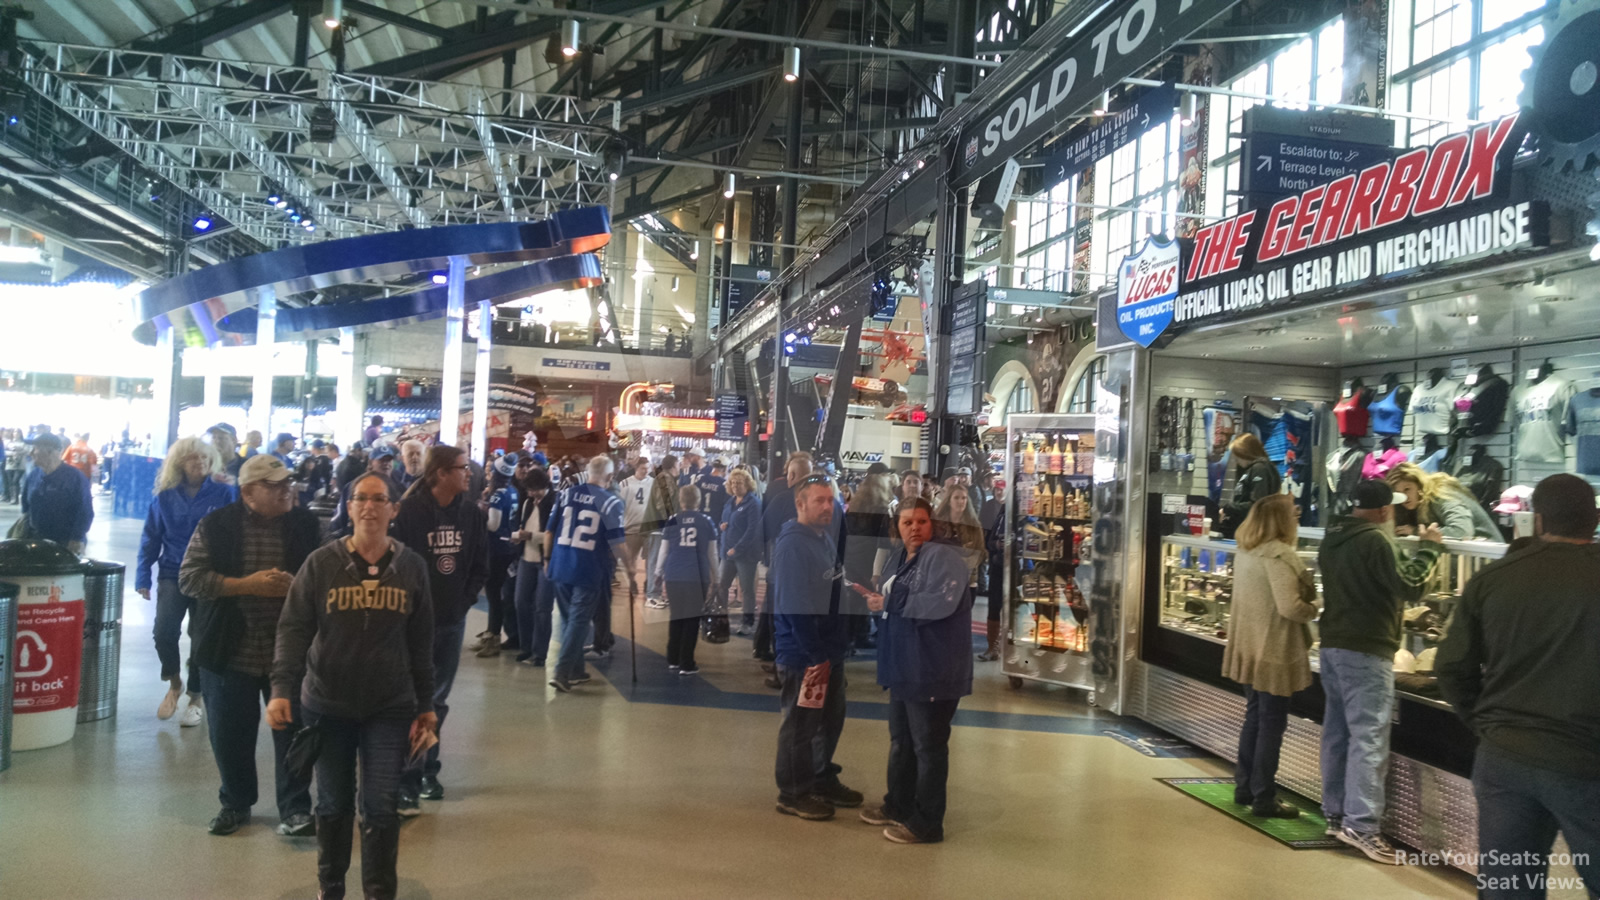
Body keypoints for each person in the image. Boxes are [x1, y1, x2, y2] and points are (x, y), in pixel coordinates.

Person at [268, 472, 437, 900]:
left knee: (380, 808)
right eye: (361, 498)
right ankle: (332, 887)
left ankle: (379, 892)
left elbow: (422, 643)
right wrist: (281, 689)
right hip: (328, 704)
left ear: (393, 510)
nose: (369, 507)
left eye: (380, 499)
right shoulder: (322, 564)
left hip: (390, 705)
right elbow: (293, 629)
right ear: (348, 507)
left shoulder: (412, 566)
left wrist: (426, 705)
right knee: (333, 804)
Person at [1435, 474, 1600, 898]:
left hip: (1504, 757)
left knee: (1509, 886)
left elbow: (1452, 667)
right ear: (1595, 519)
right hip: (1584, 759)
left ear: (1537, 520)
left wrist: (1487, 724)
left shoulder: (1494, 579)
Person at [178, 454, 319, 837]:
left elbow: (325, 580)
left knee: (293, 733)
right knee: (229, 734)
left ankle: (295, 809)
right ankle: (235, 803)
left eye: (288, 483)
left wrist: (300, 590)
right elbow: (189, 579)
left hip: (289, 654)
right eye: (274, 486)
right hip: (229, 648)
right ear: (247, 493)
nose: (286, 490)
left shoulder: (306, 525)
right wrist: (247, 585)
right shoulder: (217, 525)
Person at [1317, 479, 1442, 864]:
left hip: (1333, 645)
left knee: (1337, 733)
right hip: (1367, 649)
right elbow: (1411, 585)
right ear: (1386, 510)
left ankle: (1336, 815)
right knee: (1369, 738)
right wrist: (1430, 550)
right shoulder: (1376, 540)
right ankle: (1362, 826)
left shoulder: (1332, 536)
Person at [860, 498, 973, 843]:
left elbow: (942, 602)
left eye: (921, 521)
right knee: (902, 741)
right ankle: (899, 804)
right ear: (897, 526)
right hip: (903, 665)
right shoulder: (899, 558)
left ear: (932, 524)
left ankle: (927, 823)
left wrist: (889, 603)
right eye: (907, 522)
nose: (914, 528)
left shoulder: (946, 558)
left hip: (934, 669)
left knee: (929, 746)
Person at [390, 445, 489, 815]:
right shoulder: (411, 512)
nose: (470, 474)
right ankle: (405, 779)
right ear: (442, 473)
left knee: (436, 702)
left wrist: (462, 603)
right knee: (412, 699)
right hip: (412, 623)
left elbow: (480, 564)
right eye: (463, 468)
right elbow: (397, 563)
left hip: (451, 620)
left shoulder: (471, 514)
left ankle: (428, 769)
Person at [1220, 494, 1318, 819]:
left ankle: (1244, 786)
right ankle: (1264, 797)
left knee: (1254, 717)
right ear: (1281, 519)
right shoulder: (1279, 555)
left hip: (1248, 646)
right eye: (1294, 512)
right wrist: (1316, 609)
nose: (1297, 515)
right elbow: (1290, 607)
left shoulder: (1246, 550)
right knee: (1271, 724)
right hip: (1274, 651)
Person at [771, 472, 860, 820]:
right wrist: (815, 656)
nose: (827, 507)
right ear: (800, 503)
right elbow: (795, 605)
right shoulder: (793, 544)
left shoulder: (821, 537)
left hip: (829, 650)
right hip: (806, 655)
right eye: (819, 500)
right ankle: (792, 792)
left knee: (829, 720)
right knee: (801, 726)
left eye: (831, 500)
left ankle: (820, 777)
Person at [136, 437, 236, 728]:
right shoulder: (165, 498)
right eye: (194, 458)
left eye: (205, 458)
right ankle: (174, 681)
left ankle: (195, 697)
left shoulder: (224, 493)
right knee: (164, 631)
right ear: (180, 462)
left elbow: (240, 523)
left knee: (202, 637)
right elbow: (151, 538)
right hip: (172, 572)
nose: (200, 463)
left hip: (209, 574)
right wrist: (143, 576)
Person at [543, 456, 627, 692]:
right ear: (610, 477)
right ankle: (562, 672)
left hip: (561, 564)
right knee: (578, 621)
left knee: (570, 620)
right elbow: (618, 544)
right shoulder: (611, 502)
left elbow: (549, 532)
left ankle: (577, 671)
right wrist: (629, 568)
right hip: (589, 569)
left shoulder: (566, 494)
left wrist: (547, 559)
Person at [757, 452, 815, 676]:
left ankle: (781, 666)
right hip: (817, 575)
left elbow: (763, 532)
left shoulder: (783, 498)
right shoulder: (829, 499)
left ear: (791, 475)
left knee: (779, 618)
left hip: (782, 572)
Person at [652, 484, 718, 675]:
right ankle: (686, 662)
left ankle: (672, 658)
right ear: (698, 501)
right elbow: (712, 554)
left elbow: (664, 551)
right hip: (697, 576)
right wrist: (717, 578)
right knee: (691, 619)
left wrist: (658, 573)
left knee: (676, 616)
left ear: (681, 501)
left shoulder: (672, 520)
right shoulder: (707, 522)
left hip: (674, 574)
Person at [473, 454, 522, 658]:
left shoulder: (496, 496)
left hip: (496, 548)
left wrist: (479, 517)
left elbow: (493, 525)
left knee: (493, 595)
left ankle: (492, 637)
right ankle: (492, 633)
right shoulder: (513, 491)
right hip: (508, 547)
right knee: (498, 594)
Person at [842, 468, 896, 651]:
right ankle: (861, 636)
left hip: (851, 560)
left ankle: (849, 639)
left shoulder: (853, 509)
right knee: (869, 600)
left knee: (854, 602)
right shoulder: (882, 512)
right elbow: (883, 543)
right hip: (870, 562)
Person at [511, 466, 557, 665]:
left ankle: (540, 653)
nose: (531, 494)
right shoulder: (528, 503)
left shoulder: (554, 503)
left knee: (542, 608)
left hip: (545, 561)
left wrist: (530, 536)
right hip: (525, 559)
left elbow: (553, 535)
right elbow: (522, 525)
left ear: (544, 486)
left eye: (534, 490)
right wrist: (518, 537)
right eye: (529, 490)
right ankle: (526, 646)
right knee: (520, 603)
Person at [20, 432, 93, 553]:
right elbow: (26, 507)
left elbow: (85, 510)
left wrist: (77, 538)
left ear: (51, 452)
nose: (31, 453)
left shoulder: (75, 477)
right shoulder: (33, 475)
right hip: (36, 540)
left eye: (36, 449)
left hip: (65, 543)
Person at [1386, 463, 1499, 540]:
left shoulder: (1439, 494)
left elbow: (1462, 531)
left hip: (1490, 556)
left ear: (1419, 485)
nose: (1404, 497)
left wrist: (1416, 532)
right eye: (1399, 493)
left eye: (1407, 489)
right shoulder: (1417, 503)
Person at [719, 467, 763, 637]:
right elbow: (724, 520)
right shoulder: (730, 502)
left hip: (745, 554)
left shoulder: (753, 503)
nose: (736, 486)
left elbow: (752, 530)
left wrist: (737, 548)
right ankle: (722, 619)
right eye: (733, 483)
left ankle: (747, 622)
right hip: (727, 552)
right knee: (722, 586)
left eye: (739, 483)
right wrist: (722, 525)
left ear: (747, 484)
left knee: (746, 590)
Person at [1218, 434, 1280, 539]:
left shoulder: (1259, 469)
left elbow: (1257, 504)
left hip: (1252, 532)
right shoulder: (1253, 470)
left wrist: (1229, 508)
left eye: (1237, 455)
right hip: (1247, 530)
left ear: (1244, 453)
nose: (1236, 460)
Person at [329, 446, 398, 537]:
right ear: (371, 463)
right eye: (381, 460)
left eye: (388, 460)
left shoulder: (398, 488)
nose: (386, 464)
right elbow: (338, 521)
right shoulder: (354, 487)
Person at [642, 455, 681, 604]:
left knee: (657, 561)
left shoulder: (666, 478)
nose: (680, 467)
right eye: (678, 464)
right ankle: (652, 595)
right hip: (658, 527)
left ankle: (655, 593)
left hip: (658, 526)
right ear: (673, 465)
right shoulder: (665, 478)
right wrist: (672, 521)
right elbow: (662, 505)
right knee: (655, 561)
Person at [932, 486, 985, 584]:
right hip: (941, 579)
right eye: (956, 498)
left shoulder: (974, 525)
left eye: (964, 498)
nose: (960, 501)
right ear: (949, 501)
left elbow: (980, 552)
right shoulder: (938, 524)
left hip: (967, 579)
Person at [617, 457, 654, 593]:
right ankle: (632, 581)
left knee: (651, 559)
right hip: (630, 527)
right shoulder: (625, 484)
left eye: (647, 468)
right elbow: (619, 506)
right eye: (643, 468)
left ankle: (647, 582)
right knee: (631, 558)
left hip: (648, 528)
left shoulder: (654, 483)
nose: (646, 471)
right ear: (636, 468)